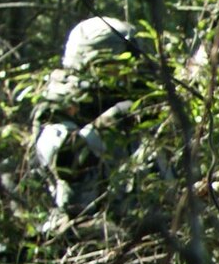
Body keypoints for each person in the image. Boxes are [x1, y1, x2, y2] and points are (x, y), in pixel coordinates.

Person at [29, 16, 144, 219]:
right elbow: (68, 164)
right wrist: (108, 125)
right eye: (116, 65)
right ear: (88, 65)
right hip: (80, 233)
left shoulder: (121, 98)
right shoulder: (58, 108)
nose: (128, 72)